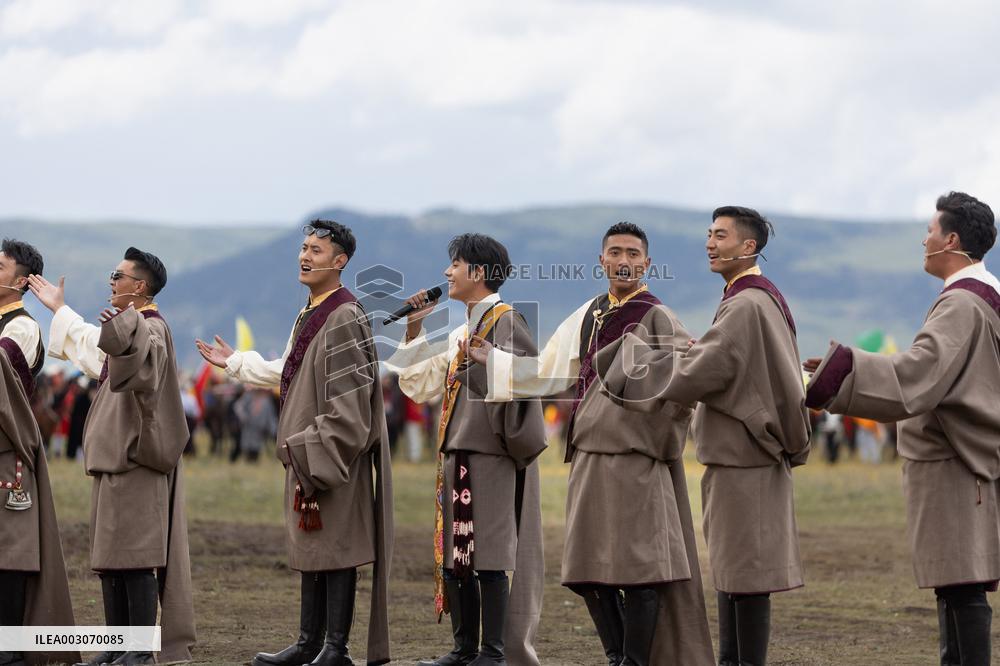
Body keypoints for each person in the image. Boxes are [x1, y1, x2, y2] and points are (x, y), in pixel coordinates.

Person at [466, 223, 714, 665]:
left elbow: (684, 381)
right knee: (585, 572)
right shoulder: (590, 313)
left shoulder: (657, 314)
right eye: (615, 251)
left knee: (641, 571)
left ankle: (633, 661)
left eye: (633, 253)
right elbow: (548, 369)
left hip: (636, 458)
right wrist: (495, 359)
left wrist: (648, 421)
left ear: (647, 264)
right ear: (601, 260)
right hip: (587, 454)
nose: (624, 260)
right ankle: (618, 655)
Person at [589, 209, 811, 666]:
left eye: (721, 236)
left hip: (745, 458)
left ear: (747, 247)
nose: (710, 243)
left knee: (745, 574)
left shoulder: (747, 303)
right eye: (708, 234)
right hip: (744, 457)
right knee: (736, 572)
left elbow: (703, 368)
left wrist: (629, 358)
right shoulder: (750, 298)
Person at [805, 191, 999, 665]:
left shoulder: (962, 304)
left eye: (930, 232)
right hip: (957, 461)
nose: (923, 239)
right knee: (955, 582)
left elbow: (917, 376)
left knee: (962, 583)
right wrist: (844, 366)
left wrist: (842, 371)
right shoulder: (979, 297)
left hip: (955, 461)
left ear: (950, 239)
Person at [197, 220, 393, 666]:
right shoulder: (312, 309)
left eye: (317, 251)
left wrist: (319, 449)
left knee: (338, 545)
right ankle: (309, 642)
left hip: (330, 453)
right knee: (316, 545)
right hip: (308, 450)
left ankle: (335, 648)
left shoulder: (343, 315)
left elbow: (350, 404)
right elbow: (287, 368)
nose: (305, 257)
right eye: (303, 248)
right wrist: (236, 363)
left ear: (340, 262)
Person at [29, 247, 196, 666]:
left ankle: (138, 650)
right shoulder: (132, 327)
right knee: (111, 557)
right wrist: (61, 310)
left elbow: (136, 368)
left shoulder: (152, 329)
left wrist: (125, 334)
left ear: (140, 287)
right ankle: (118, 643)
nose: (111, 282)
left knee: (136, 556)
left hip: (136, 460)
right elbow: (94, 347)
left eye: (118, 276)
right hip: (114, 462)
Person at [385, 233, 546, 666]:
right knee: (460, 554)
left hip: (491, 453)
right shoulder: (464, 330)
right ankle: (463, 649)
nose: (446, 273)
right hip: (458, 452)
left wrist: (490, 360)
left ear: (477, 272)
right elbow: (417, 385)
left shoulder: (509, 321)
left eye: (454, 264)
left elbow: (528, 383)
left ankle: (492, 653)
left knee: (489, 553)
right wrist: (414, 326)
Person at [0, 238, 78, 666]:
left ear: (22, 281)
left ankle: (10, 647)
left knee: (10, 552)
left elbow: (2, 370)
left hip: (6, 450)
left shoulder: (23, 326)